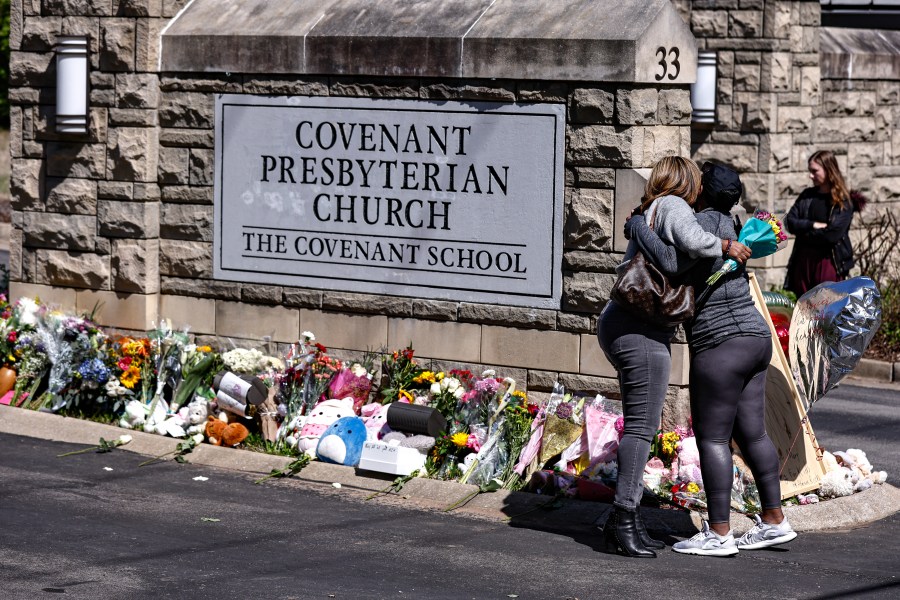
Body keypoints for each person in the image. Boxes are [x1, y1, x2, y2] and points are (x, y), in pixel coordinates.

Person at [626, 162, 797, 557]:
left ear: (701, 190)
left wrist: (638, 227)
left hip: (720, 341)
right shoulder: (737, 226)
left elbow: (672, 264)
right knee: (753, 433)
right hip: (756, 336)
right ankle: (774, 520)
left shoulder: (698, 225)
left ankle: (719, 532)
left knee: (713, 436)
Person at [597, 156, 751, 558]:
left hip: (633, 326)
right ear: (686, 181)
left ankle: (626, 520)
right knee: (642, 428)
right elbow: (676, 258)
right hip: (639, 329)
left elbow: (668, 258)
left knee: (641, 425)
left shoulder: (654, 210)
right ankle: (622, 521)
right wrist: (722, 244)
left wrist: (638, 227)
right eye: (697, 180)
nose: (701, 188)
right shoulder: (674, 206)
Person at [784, 150, 854, 295]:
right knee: (804, 310)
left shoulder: (842, 201)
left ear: (829, 170)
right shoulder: (807, 196)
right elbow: (790, 222)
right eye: (810, 171)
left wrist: (802, 231)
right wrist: (812, 225)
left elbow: (832, 235)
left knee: (826, 308)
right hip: (803, 262)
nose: (811, 175)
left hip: (828, 262)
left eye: (815, 171)